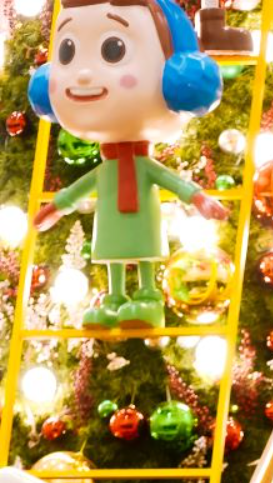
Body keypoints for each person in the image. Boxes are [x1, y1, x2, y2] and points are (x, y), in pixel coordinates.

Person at [28, 0, 225, 330]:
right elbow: (81, 188)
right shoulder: (107, 167)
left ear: (178, 75)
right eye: (67, 52)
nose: (84, 74)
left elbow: (169, 180)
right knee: (113, 259)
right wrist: (57, 207)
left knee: (144, 256)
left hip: (141, 224)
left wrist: (198, 197)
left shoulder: (143, 164)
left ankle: (149, 297)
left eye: (113, 49)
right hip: (111, 227)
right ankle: (114, 299)